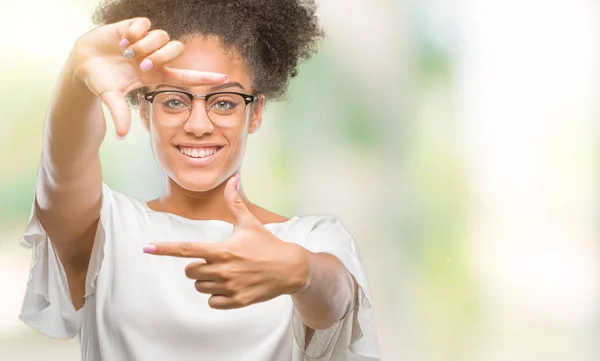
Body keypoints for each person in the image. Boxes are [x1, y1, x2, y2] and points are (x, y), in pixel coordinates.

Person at [18, 0, 379, 360]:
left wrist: (299, 271)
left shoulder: (308, 240)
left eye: (224, 102)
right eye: (174, 101)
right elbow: (60, 174)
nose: (198, 125)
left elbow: (336, 299)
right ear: (145, 110)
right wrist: (76, 79)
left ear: (255, 113)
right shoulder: (107, 230)